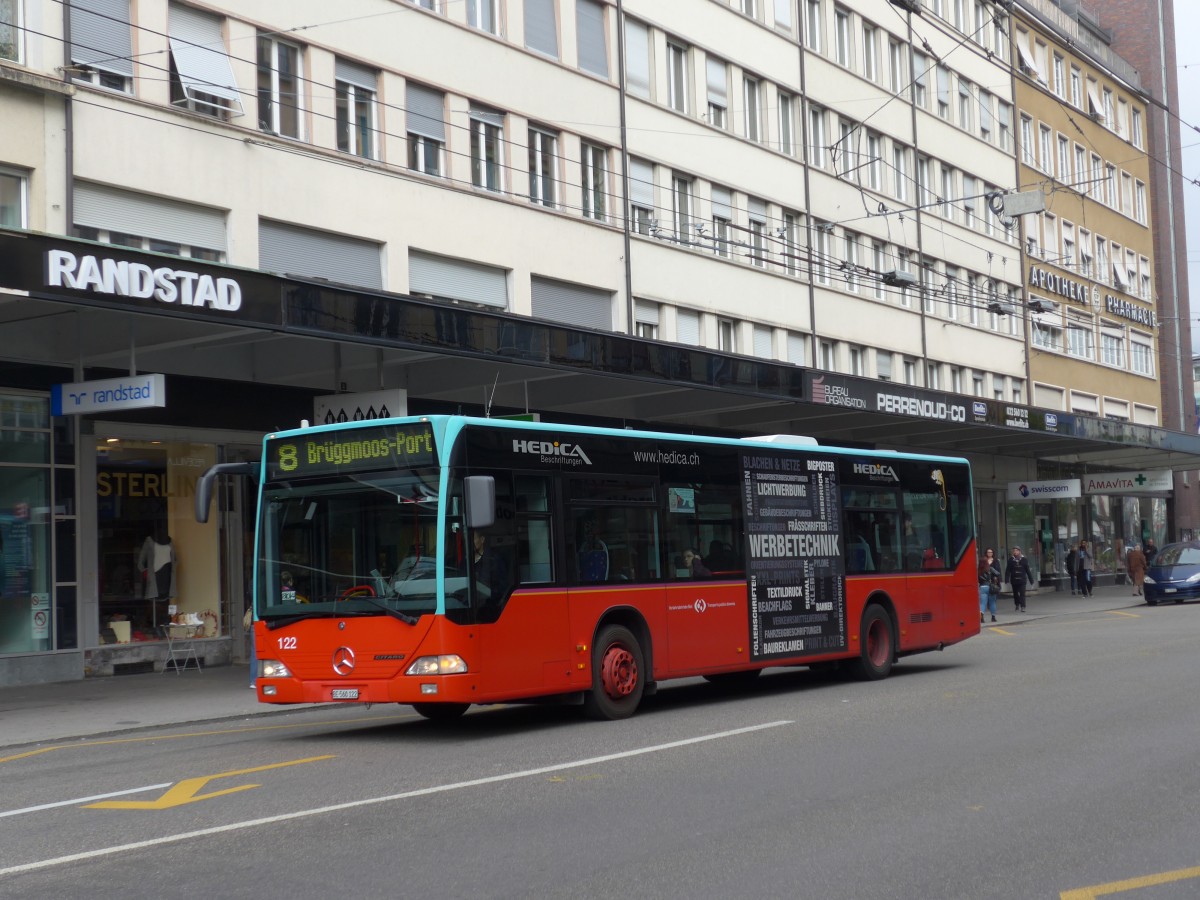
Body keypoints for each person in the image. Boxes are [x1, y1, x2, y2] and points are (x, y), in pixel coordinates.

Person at [1005, 545, 1034, 612]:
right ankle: (1017, 604)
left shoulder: (1024, 559)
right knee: (1015, 594)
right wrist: (1006, 579)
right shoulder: (1011, 560)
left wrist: (1031, 580)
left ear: (1019, 551)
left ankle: (1023, 606)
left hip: (1022, 580)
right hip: (1014, 580)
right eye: (1014, 551)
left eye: (1016, 550)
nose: (1015, 552)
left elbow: (1027, 570)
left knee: (1022, 593)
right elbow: (1008, 570)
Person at [978, 548, 1001, 623]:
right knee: (992, 602)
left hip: (982, 587)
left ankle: (981, 614)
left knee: (982, 603)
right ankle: (993, 617)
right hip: (990, 587)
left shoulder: (978, 570)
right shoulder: (990, 568)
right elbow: (998, 573)